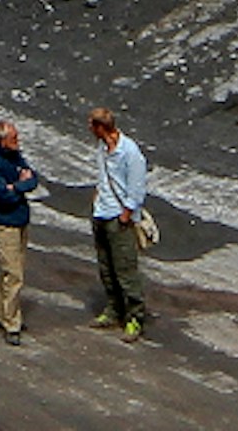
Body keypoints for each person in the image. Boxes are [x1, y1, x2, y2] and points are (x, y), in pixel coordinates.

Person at [86, 106, 151, 339]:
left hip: (119, 219)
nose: (89, 128)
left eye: (92, 124)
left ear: (100, 127)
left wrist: (126, 214)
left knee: (126, 270)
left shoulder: (130, 152)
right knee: (106, 267)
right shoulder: (102, 147)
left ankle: (134, 317)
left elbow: (137, 187)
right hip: (101, 214)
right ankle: (114, 310)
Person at [0, 118, 43, 338]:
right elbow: (2, 196)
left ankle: (0, 314)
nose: (18, 141)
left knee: (9, 271)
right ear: (2, 140)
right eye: (14, 138)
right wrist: (19, 185)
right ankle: (12, 323)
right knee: (14, 275)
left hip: (20, 219)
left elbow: (33, 179)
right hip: (4, 223)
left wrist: (15, 186)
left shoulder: (14, 156)